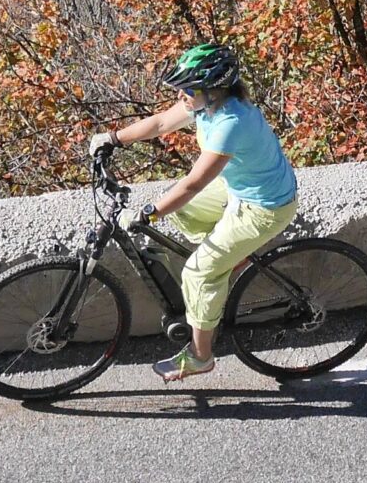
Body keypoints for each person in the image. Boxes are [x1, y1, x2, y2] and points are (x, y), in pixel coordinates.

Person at [96, 41, 298, 384]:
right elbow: (160, 123)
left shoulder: (231, 122)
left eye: (187, 90)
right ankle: (232, 259)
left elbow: (193, 184)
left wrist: (149, 213)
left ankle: (201, 356)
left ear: (215, 88)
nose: (181, 97)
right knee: (184, 212)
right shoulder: (206, 104)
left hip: (264, 206)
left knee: (197, 274)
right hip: (241, 189)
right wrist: (113, 139)